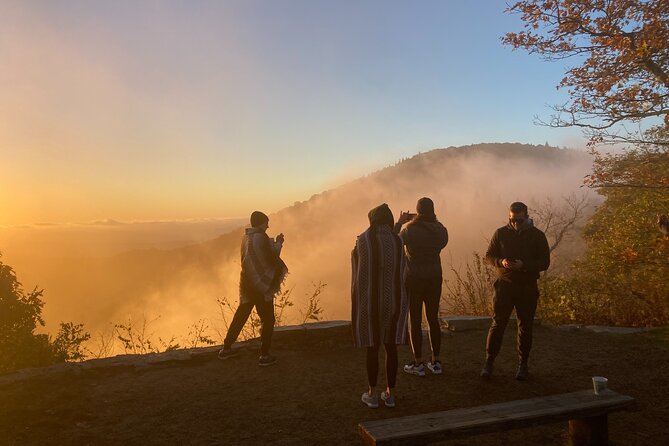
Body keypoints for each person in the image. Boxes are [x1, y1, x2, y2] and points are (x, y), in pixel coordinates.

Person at [480, 202, 550, 380]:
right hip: (504, 285)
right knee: (498, 324)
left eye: (519, 220)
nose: (515, 224)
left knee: (525, 326)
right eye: (512, 220)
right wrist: (501, 262)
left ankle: (523, 365)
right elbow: (489, 256)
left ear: (527, 217)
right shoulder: (500, 233)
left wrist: (524, 266)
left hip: (527, 286)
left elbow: (545, 262)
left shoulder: (537, 235)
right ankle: (489, 363)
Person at [352, 203, 409, 408]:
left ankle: (372, 394)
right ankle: (391, 394)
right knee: (391, 347)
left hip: (371, 302)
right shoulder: (397, 240)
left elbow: (358, 265)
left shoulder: (364, 241)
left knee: (372, 348)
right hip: (394, 301)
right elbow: (402, 268)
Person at [218, 211, 288, 367]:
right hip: (261, 285)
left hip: (247, 283)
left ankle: (226, 348)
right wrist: (279, 243)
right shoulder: (261, 237)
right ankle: (264, 355)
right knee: (268, 319)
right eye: (266, 223)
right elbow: (270, 257)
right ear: (261, 223)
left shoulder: (247, 237)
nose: (268, 226)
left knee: (241, 315)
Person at [394, 197, 449, 376]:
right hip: (434, 277)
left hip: (414, 278)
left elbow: (395, 243)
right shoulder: (441, 230)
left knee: (415, 320)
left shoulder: (409, 230)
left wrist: (400, 223)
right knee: (433, 319)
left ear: (417, 212)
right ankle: (436, 361)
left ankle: (418, 363)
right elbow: (441, 240)